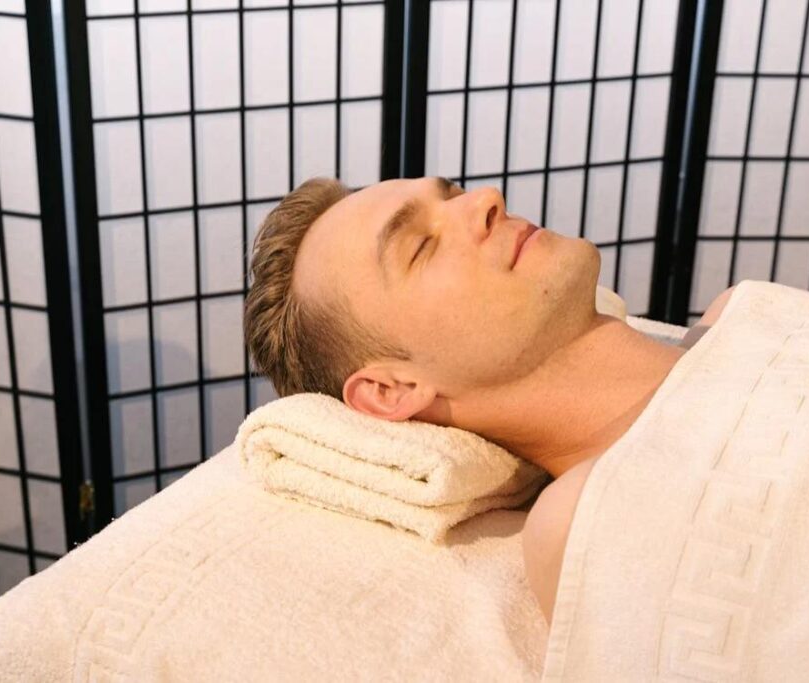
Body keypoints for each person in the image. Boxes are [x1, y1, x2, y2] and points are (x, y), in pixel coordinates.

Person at [243, 175, 735, 623]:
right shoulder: (591, 523)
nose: (486, 199)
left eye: (454, 194)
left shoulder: (736, 312)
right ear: (392, 390)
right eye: (421, 246)